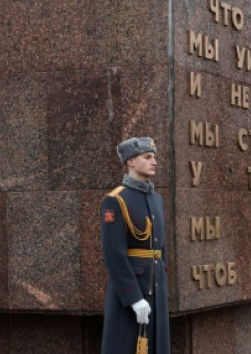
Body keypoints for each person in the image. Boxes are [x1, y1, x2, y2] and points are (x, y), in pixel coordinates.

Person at [101, 137, 170, 354]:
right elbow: (114, 254)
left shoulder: (157, 199)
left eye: (154, 157)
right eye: (147, 157)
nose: (154, 162)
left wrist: (162, 277)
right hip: (131, 291)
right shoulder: (115, 200)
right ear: (131, 161)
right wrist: (133, 298)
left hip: (156, 288)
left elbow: (160, 247)